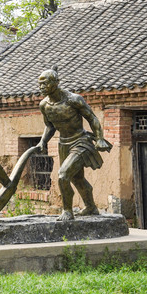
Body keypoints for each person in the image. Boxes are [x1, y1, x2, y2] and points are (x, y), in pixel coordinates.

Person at [37, 67, 112, 221]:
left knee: (63, 175)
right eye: (40, 84)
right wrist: (43, 141)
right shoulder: (44, 105)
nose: (41, 87)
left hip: (80, 141)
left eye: (45, 83)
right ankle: (91, 207)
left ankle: (67, 211)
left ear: (56, 83)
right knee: (76, 178)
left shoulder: (74, 99)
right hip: (63, 143)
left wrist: (99, 138)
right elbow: (50, 126)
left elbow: (92, 118)